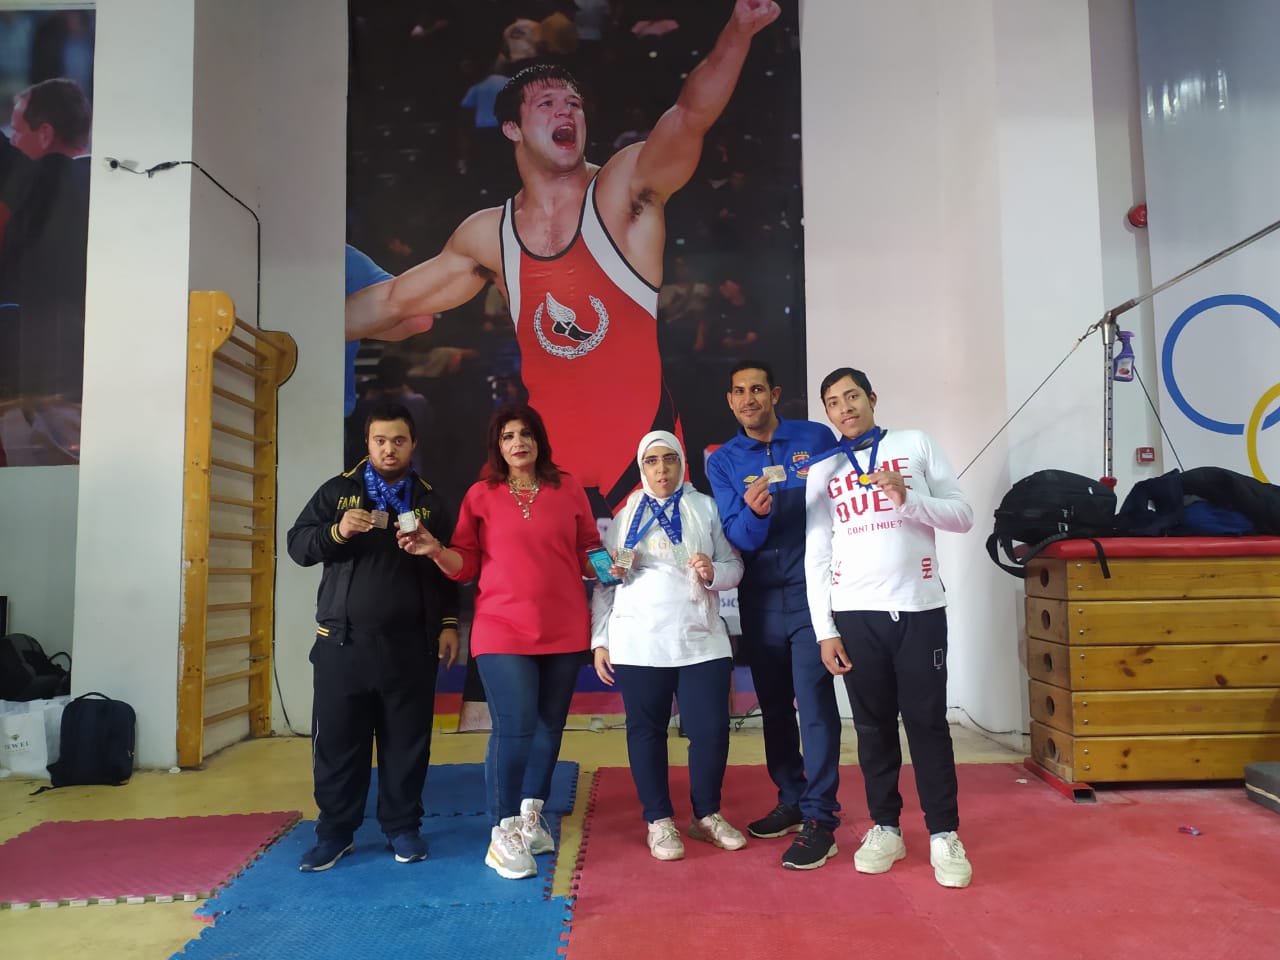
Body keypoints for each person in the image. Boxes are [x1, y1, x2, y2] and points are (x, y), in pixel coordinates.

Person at [346, 0, 782, 512]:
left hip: (642, 456)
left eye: (574, 104)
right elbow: (395, 302)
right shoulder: (489, 235)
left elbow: (689, 117)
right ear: (512, 128)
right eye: (547, 103)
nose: (566, 112)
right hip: (551, 465)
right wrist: (297, 329)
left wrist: (739, 30)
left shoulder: (622, 192)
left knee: (660, 567)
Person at [397, 402, 603, 880]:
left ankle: (531, 814)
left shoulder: (568, 487)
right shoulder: (481, 495)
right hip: (501, 628)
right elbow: (465, 564)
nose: (518, 443)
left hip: (564, 626)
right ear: (498, 446)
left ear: (539, 440)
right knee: (515, 725)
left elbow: (589, 548)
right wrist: (436, 551)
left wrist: (610, 567)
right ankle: (502, 830)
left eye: (526, 434)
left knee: (550, 724)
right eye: (508, 436)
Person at [804, 367, 975, 888]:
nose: (845, 408)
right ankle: (886, 827)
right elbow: (817, 554)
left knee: (927, 724)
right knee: (872, 727)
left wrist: (910, 498)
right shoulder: (824, 468)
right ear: (828, 413)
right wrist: (824, 630)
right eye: (833, 402)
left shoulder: (914, 443)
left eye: (852, 396)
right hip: (855, 614)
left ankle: (943, 832)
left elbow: (963, 515)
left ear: (872, 398)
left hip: (919, 609)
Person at [286, 401, 461, 872]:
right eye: (380, 440)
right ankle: (334, 832)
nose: (389, 449)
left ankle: (402, 827)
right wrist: (337, 531)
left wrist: (448, 624)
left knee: (407, 743)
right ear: (367, 443)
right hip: (343, 644)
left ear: (413, 444)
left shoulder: (429, 500)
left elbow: (449, 567)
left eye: (398, 440)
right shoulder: (338, 492)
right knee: (338, 744)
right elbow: (298, 545)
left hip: (412, 646)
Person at [706, 361, 842, 870]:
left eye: (758, 389)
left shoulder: (814, 438)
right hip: (760, 599)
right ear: (730, 400)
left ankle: (821, 816)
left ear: (775, 393)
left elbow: (843, 503)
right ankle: (792, 797)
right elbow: (737, 537)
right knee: (775, 707)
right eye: (739, 391)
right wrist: (756, 513)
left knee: (815, 703)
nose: (749, 399)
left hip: (812, 595)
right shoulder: (723, 461)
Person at [591, 430, 746, 862]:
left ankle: (706, 815)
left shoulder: (705, 508)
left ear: (681, 464)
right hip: (638, 640)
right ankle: (658, 821)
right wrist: (601, 639)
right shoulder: (625, 516)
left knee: (711, 730)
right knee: (646, 731)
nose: (662, 469)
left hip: (701, 638)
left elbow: (735, 566)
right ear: (642, 468)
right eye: (652, 461)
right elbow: (604, 581)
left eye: (670, 459)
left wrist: (712, 571)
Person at [0, 77, 91, 465]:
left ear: (45, 134)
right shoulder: (105, 188)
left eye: (17, 132)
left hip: (38, 392)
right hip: (77, 384)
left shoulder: (30, 188)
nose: (13, 142)